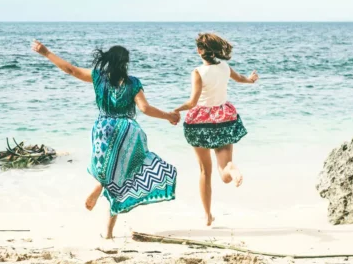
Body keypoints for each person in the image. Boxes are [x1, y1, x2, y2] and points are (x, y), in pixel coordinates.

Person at [32, 41, 178, 238]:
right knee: (122, 178)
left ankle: (100, 186)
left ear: (108, 60)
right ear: (125, 64)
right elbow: (145, 109)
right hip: (128, 131)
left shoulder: (98, 78)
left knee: (109, 174)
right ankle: (107, 228)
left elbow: (71, 70)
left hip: (103, 129)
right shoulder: (133, 83)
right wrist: (168, 116)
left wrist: (46, 52)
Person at [174, 33, 258, 226]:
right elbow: (241, 79)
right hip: (223, 119)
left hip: (200, 122)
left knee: (205, 170)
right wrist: (251, 79)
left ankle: (207, 215)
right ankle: (231, 168)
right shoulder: (225, 67)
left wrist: (175, 110)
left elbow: (193, 102)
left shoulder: (198, 72)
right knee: (224, 170)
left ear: (200, 51)